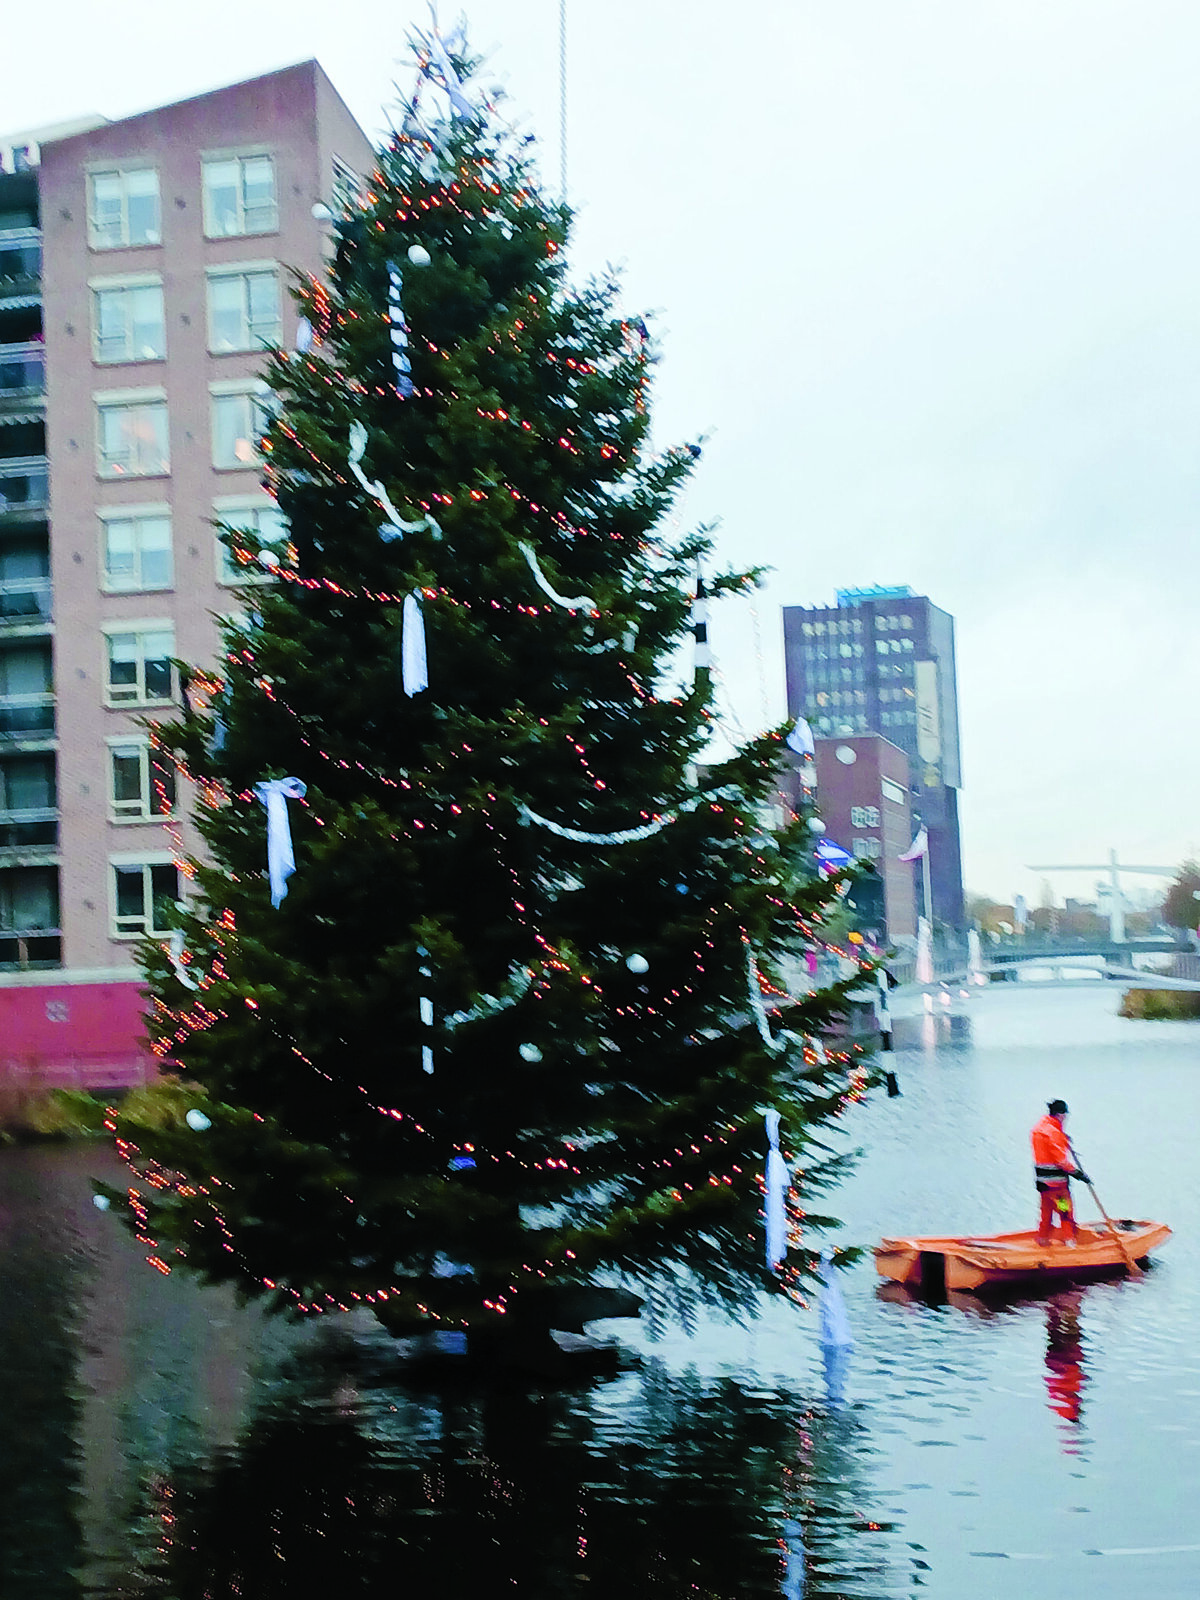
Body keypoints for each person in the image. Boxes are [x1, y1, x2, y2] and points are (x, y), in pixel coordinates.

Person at [1031, 1098, 1088, 1246]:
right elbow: (1061, 1161)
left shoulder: (1039, 1129)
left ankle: (1042, 1241)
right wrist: (1078, 1174)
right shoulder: (1054, 1133)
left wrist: (1063, 1138)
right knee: (1065, 1212)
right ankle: (1070, 1242)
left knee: (1046, 1213)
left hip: (1043, 1184)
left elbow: (1047, 1149)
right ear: (1061, 1115)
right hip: (1057, 1187)